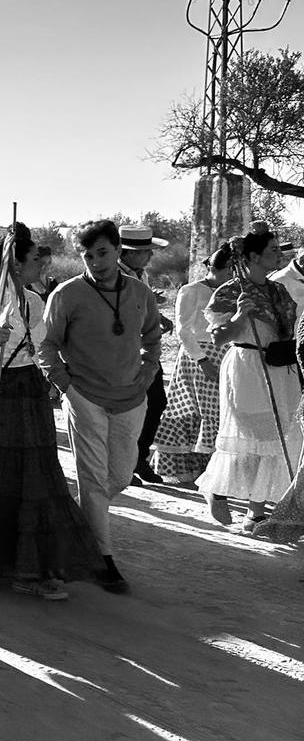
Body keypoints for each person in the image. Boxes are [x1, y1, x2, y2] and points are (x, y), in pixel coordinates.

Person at [0, 226, 103, 600]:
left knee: (38, 478)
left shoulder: (34, 300)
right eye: (34, 261)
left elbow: (43, 349)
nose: (41, 267)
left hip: (31, 393)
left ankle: (32, 566)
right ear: (16, 263)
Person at [36, 219, 161, 595]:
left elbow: (152, 336)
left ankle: (74, 527)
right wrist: (66, 386)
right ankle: (103, 560)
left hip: (131, 397)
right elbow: (47, 345)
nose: (95, 261)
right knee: (92, 479)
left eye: (102, 253)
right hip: (85, 396)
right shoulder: (67, 294)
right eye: (88, 255)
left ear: (118, 251)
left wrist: (147, 374)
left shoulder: (140, 292)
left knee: (120, 475)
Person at [197, 226, 301, 529]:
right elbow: (218, 338)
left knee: (276, 435)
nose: (278, 256)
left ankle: (255, 510)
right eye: (271, 251)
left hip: (280, 367)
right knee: (253, 437)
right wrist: (240, 316)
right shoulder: (231, 291)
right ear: (253, 256)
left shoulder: (278, 290)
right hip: (247, 366)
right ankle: (216, 488)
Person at [153, 244, 234, 483]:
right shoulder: (192, 290)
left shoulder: (235, 291)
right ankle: (188, 469)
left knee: (220, 410)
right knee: (195, 409)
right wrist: (202, 360)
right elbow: (183, 329)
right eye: (228, 269)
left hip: (225, 353)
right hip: (197, 355)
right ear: (214, 267)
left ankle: (215, 470)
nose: (232, 275)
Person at [118, 223, 174, 485]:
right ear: (128, 253)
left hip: (146, 349)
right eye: (145, 251)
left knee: (156, 402)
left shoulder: (141, 276)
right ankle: (124, 463)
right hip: (122, 352)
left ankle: (138, 457)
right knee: (128, 407)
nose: (150, 256)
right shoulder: (113, 275)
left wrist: (158, 314)